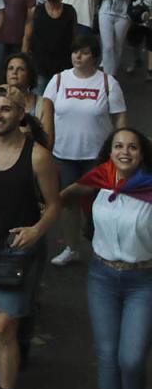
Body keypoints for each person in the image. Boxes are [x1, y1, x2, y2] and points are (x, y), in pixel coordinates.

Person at [0, 85, 61, 389]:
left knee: (3, 326)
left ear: (21, 114)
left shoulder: (38, 156)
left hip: (18, 251)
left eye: (6, 109)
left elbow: (53, 205)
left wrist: (37, 231)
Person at [60, 128, 152, 389]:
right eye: (118, 146)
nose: (125, 152)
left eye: (133, 147)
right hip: (103, 279)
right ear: (109, 153)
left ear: (142, 153)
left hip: (143, 281)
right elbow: (64, 197)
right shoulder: (101, 178)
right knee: (108, 356)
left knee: (132, 358)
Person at [45, 33, 127, 267]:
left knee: (101, 204)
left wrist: (119, 148)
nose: (78, 57)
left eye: (84, 52)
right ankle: (72, 247)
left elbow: (120, 116)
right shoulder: (58, 80)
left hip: (98, 156)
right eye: (75, 52)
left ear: (95, 56)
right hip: (64, 153)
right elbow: (47, 113)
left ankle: (104, 247)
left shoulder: (107, 82)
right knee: (68, 203)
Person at [23, 0, 77, 90]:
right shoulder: (36, 11)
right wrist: (24, 59)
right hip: (40, 65)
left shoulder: (70, 11)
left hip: (64, 64)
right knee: (38, 99)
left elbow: (75, 36)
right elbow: (27, 36)